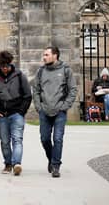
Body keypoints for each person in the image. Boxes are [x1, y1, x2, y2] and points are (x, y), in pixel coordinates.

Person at [33, 46, 77, 178]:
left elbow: (73, 90)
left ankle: (56, 166)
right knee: (45, 139)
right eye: (44, 55)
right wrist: (38, 106)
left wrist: (65, 106)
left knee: (57, 139)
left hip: (60, 111)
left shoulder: (66, 70)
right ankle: (51, 159)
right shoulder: (41, 71)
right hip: (44, 111)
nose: (44, 57)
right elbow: (36, 90)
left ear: (55, 55)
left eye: (46, 54)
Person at [0, 50, 32, 176]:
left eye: (7, 66)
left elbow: (27, 95)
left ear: (10, 64)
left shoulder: (19, 76)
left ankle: (17, 163)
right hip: (2, 114)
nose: (5, 69)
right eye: (2, 66)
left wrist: (22, 111)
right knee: (5, 141)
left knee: (17, 139)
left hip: (16, 113)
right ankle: (8, 163)